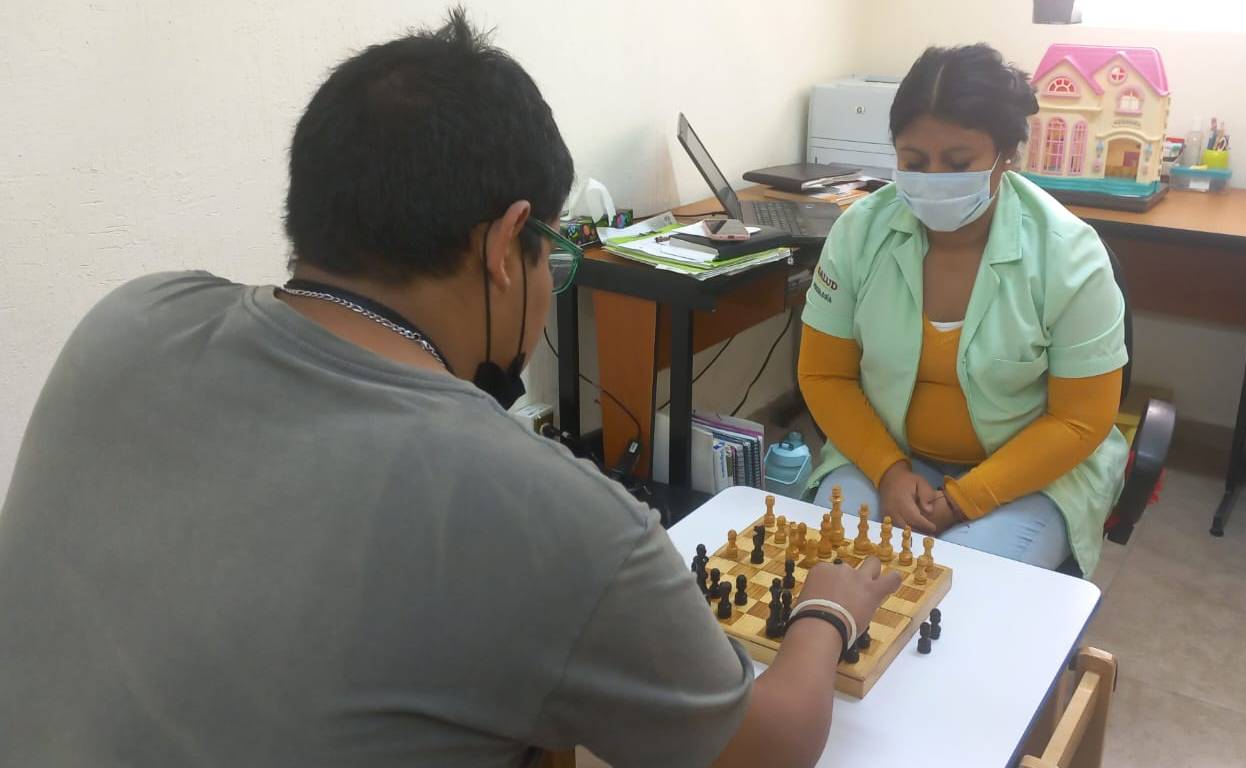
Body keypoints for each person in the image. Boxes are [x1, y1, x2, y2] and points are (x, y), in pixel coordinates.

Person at [0, 11, 901, 768]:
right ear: (506, 245)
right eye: (553, 251)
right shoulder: (552, 514)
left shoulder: (132, 317)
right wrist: (826, 608)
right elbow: (768, 749)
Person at [799, 44, 1128, 577]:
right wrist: (888, 470)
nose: (933, 179)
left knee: (961, 588)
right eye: (913, 162)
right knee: (832, 570)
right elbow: (824, 374)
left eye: (958, 164)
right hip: (888, 454)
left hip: (1029, 475)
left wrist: (964, 498)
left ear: (1008, 155)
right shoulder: (859, 232)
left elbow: (1079, 418)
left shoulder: (1069, 254)